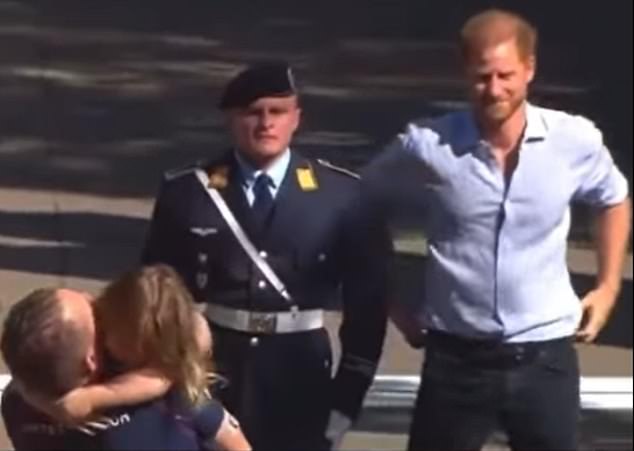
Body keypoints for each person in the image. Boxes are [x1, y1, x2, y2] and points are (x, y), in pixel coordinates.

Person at [363, 8, 631, 451]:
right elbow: (360, 207)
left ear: (530, 69)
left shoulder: (573, 141)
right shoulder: (428, 146)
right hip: (456, 363)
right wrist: (391, 301)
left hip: (545, 358)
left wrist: (607, 287)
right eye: (482, 77)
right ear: (465, 73)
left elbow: (613, 197)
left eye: (506, 75)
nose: (494, 90)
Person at [142, 61, 388, 450]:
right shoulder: (190, 190)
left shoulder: (340, 196)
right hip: (215, 371)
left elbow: (367, 310)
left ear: (296, 119)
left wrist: (346, 401)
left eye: (278, 112)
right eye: (252, 113)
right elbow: (154, 299)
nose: (265, 124)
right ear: (231, 119)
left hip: (301, 375)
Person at [1, 266, 250, 450]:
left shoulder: (17, 406)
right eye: (98, 318)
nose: (91, 298)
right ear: (91, 361)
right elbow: (233, 442)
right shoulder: (162, 403)